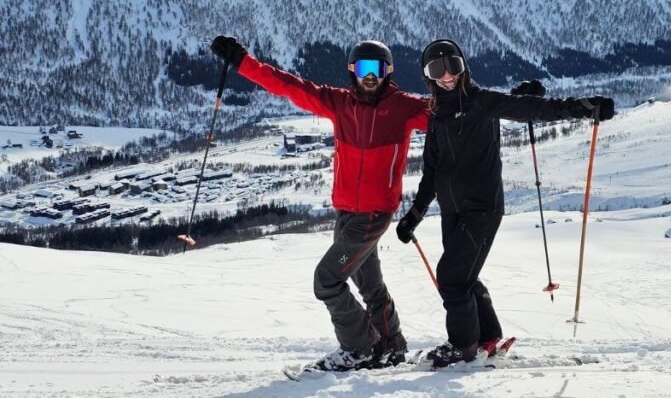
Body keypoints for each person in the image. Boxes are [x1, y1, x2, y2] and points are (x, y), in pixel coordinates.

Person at [210, 35, 429, 372]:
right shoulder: (338, 103)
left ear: (388, 72)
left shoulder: (403, 108)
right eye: (363, 68)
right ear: (352, 71)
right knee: (368, 283)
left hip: (372, 214)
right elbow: (287, 86)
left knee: (327, 280)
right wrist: (242, 62)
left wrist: (512, 106)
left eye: (378, 69)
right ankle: (390, 345)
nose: (370, 76)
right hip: (346, 211)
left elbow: (456, 113)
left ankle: (361, 348)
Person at [394, 39, 615, 368]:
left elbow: (535, 110)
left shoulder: (482, 102)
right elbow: (431, 173)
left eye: (452, 65)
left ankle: (462, 346)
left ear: (463, 66)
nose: (447, 75)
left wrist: (583, 106)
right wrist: (414, 214)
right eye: (437, 69)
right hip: (452, 211)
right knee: (465, 277)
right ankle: (486, 337)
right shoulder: (437, 116)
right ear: (428, 77)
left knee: (452, 278)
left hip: (482, 208)